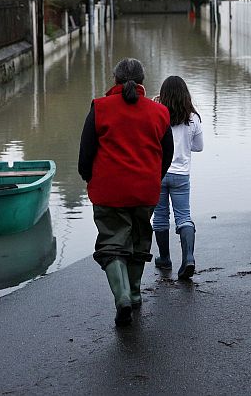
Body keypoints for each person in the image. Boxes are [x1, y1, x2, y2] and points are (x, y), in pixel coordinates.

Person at [78, 58, 174, 327]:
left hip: (109, 191)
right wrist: (154, 177)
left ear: (115, 80)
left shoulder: (100, 108)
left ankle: (121, 297)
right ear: (143, 81)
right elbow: (167, 154)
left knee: (112, 244)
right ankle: (134, 292)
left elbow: (85, 154)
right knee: (139, 241)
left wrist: (89, 177)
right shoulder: (159, 113)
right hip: (145, 190)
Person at [152, 76, 204, 280]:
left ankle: (164, 259)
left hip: (159, 173)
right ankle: (188, 257)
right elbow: (199, 147)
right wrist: (184, 143)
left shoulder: (157, 114)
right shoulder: (192, 118)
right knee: (183, 217)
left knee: (161, 216)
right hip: (181, 175)